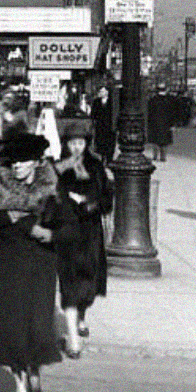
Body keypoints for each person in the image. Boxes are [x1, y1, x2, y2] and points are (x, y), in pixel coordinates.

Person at [0, 132, 72, 392]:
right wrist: (9, 216)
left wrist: (50, 234)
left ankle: (35, 371)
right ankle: (19, 388)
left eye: (23, 161)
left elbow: (70, 228)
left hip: (41, 262)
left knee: (38, 324)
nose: (16, 166)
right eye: (13, 161)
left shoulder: (52, 187)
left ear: (37, 162)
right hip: (6, 262)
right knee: (13, 326)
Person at [54, 118, 113, 358]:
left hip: (90, 233)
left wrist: (90, 204)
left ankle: (81, 315)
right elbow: (49, 197)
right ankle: (73, 339)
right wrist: (66, 204)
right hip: (67, 233)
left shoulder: (97, 167)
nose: (76, 148)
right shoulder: (58, 167)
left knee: (89, 284)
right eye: (72, 143)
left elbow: (108, 200)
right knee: (68, 284)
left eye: (80, 143)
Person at [89, 84, 116, 163]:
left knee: (110, 142)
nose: (101, 92)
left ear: (107, 92)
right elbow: (93, 114)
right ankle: (102, 158)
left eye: (102, 91)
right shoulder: (96, 101)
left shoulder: (112, 102)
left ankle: (109, 159)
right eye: (100, 91)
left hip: (110, 126)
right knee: (100, 142)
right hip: (100, 126)